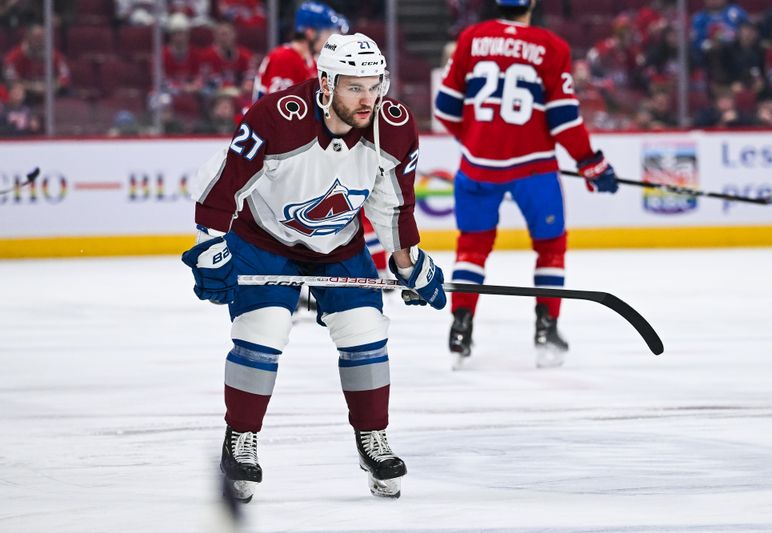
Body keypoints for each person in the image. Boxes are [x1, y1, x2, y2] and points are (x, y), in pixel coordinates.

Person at [181, 32, 446, 502]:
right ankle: (240, 440)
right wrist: (210, 247)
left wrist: (409, 263)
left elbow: (394, 206)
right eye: (353, 87)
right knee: (262, 331)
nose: (368, 100)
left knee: (366, 330)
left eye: (374, 85)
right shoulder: (277, 118)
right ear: (325, 83)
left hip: (340, 244)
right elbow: (221, 185)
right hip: (263, 237)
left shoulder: (395, 126)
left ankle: (372, 439)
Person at [433, 0, 619, 369]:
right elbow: (564, 119)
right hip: (533, 168)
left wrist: (478, 141)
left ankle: (460, 329)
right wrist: (590, 163)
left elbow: (445, 108)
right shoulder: (551, 46)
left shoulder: (471, 37)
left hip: (477, 167)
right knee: (550, 247)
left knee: (471, 248)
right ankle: (545, 331)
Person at [253, 2, 388, 284]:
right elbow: (281, 119)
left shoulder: (303, 61)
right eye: (329, 32)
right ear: (310, 31)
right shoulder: (285, 58)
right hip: (278, 157)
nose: (334, 40)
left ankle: (365, 266)